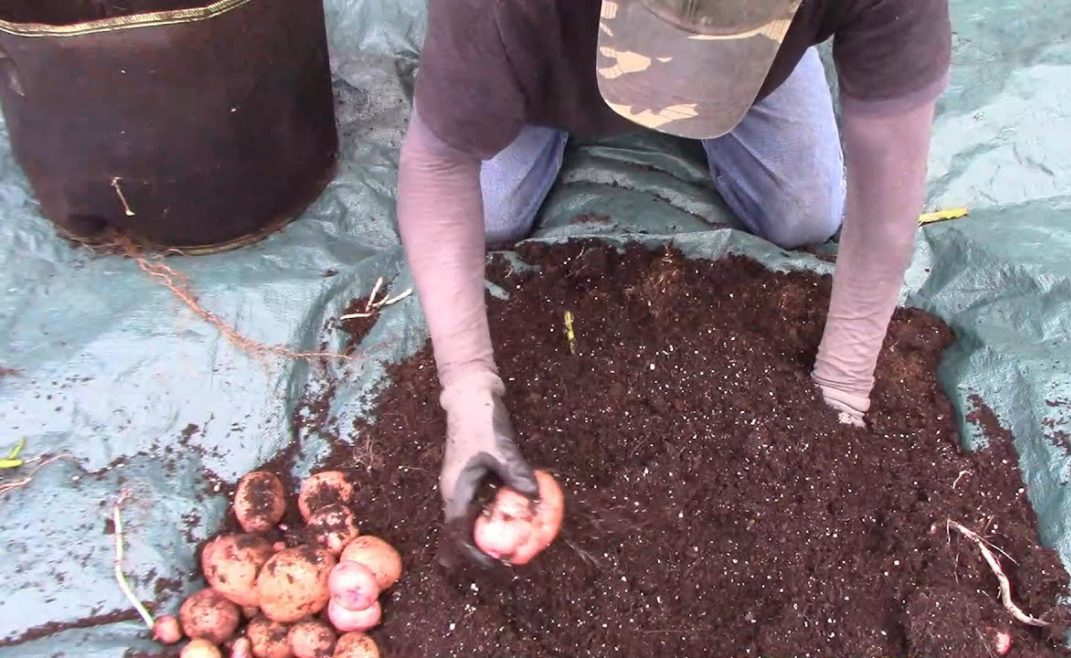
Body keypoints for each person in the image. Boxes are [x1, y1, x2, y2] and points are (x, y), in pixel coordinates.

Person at [396, 0, 952, 541]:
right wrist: (466, 386)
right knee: (488, 217)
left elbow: (889, 171)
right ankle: (535, 93)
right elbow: (439, 163)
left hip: (755, 60)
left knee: (804, 214)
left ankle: (756, 62)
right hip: (551, 57)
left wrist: (845, 382)